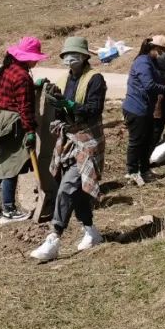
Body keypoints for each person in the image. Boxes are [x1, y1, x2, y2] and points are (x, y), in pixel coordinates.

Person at [29, 37, 107, 262]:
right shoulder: (63, 79)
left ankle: (54, 237)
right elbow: (60, 110)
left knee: (67, 187)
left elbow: (95, 109)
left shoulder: (95, 79)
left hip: (88, 140)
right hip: (68, 140)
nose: (69, 59)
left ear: (84, 57)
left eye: (74, 54)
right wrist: (58, 102)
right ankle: (91, 232)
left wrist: (72, 106)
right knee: (79, 189)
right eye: (66, 55)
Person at [0, 36, 47, 223]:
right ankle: (9, 210)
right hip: (14, 124)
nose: (36, 61)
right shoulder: (22, 77)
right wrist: (29, 131)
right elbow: (25, 108)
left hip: (1, 120)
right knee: (12, 166)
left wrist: (33, 86)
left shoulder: (8, 70)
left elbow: (13, 95)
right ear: (26, 57)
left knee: (0, 164)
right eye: (35, 57)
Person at [122, 35, 165, 186]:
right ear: (154, 48)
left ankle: (144, 169)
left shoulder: (151, 62)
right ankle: (132, 172)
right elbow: (149, 85)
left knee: (147, 141)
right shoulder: (142, 62)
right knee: (136, 141)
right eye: (162, 50)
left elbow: (157, 80)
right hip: (136, 108)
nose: (163, 54)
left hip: (146, 108)